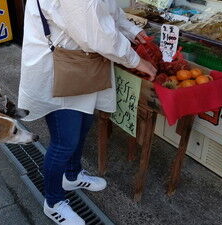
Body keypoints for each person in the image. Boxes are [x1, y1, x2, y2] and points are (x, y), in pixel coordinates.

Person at [18, 0, 157, 224]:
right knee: (64, 141)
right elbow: (98, 32)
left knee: (83, 125)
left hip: (80, 66)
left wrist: (133, 31)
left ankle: (71, 175)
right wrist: (137, 61)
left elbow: (109, 11)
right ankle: (53, 202)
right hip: (58, 69)